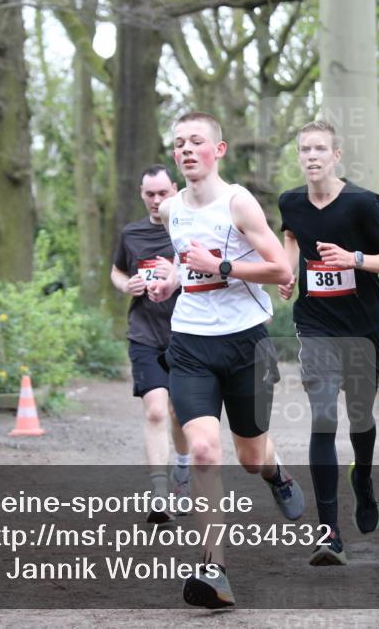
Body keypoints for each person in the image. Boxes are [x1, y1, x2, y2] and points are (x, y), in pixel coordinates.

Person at [148, 111, 305, 609]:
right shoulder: (171, 207)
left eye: (197, 142)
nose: (186, 149)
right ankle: (213, 568)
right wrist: (171, 281)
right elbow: (181, 258)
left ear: (219, 150)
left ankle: (276, 472)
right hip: (191, 343)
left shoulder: (238, 203)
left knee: (250, 456)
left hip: (245, 345)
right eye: (179, 144)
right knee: (203, 451)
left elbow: (279, 267)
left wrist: (221, 265)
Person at [278, 120, 379, 566]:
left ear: (336, 156)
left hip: (362, 326)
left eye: (319, 149)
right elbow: (291, 235)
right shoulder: (291, 202)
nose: (311, 156)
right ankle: (329, 534)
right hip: (315, 325)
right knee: (322, 418)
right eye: (304, 150)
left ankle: (365, 478)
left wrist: (354, 259)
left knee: (360, 417)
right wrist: (287, 269)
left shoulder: (362, 204)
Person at [110, 165, 191, 524]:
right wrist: (124, 284)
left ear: (174, 189)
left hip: (187, 333)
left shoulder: (189, 230)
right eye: (149, 194)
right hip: (144, 333)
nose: (156, 201)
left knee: (179, 414)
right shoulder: (131, 234)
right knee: (156, 410)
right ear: (141, 193)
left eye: (162, 193)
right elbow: (117, 270)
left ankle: (183, 472)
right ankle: (159, 494)